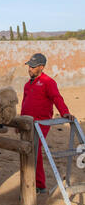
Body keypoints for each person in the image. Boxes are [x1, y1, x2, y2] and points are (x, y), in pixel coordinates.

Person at [20, 53, 75, 193]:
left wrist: (65, 112)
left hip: (41, 123)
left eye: (33, 67)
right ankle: (29, 181)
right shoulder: (27, 84)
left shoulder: (48, 82)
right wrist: (20, 122)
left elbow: (57, 98)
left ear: (41, 67)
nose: (30, 69)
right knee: (26, 150)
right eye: (29, 67)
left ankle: (39, 185)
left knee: (35, 150)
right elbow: (24, 103)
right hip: (27, 123)